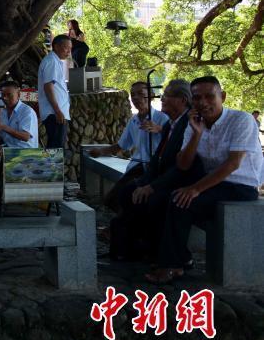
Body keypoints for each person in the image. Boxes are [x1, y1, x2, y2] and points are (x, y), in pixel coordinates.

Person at [147, 76, 264, 283]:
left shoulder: (241, 120)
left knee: (181, 201)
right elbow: (183, 164)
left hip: (241, 186)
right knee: (164, 197)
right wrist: (196, 135)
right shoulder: (194, 124)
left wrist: (195, 189)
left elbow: (233, 164)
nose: (203, 103)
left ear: (223, 97)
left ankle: (173, 265)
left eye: (210, 96)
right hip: (214, 183)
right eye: (197, 98)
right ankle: (177, 257)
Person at [108, 79, 192, 261]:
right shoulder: (172, 123)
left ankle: (165, 253)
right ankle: (131, 242)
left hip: (177, 179)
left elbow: (181, 166)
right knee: (127, 191)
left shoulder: (185, 124)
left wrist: (151, 185)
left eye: (166, 96)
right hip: (152, 170)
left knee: (151, 200)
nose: (162, 99)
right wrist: (144, 182)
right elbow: (156, 160)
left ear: (182, 100)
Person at [92, 81, 169, 177]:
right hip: (137, 167)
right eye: (133, 95)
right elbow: (121, 146)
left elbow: (175, 140)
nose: (136, 97)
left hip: (157, 169)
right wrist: (100, 151)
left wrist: (160, 129)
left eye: (140, 94)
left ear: (151, 96)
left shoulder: (162, 118)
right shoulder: (133, 121)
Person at [37, 34, 72, 149]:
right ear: (56, 46)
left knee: (56, 148)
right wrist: (57, 110)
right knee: (55, 150)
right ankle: (52, 168)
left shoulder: (55, 61)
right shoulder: (51, 61)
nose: (68, 52)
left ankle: (53, 167)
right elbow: (48, 87)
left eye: (70, 49)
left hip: (56, 112)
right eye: (66, 48)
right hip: (54, 113)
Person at [0, 80, 39, 148]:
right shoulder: (3, 111)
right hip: (7, 149)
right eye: (3, 95)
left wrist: (4, 127)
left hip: (25, 152)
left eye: (9, 95)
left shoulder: (27, 111)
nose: (5, 98)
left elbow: (26, 137)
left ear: (18, 94)